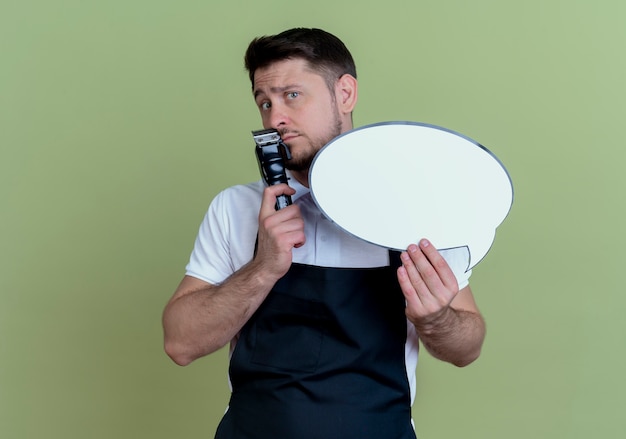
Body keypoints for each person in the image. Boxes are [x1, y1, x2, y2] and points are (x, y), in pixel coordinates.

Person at [162, 27, 486, 439]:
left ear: (345, 94)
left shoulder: (414, 211)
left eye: (292, 95)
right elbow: (180, 343)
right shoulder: (236, 208)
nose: (275, 117)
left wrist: (437, 318)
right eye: (264, 102)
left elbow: (467, 348)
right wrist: (263, 267)